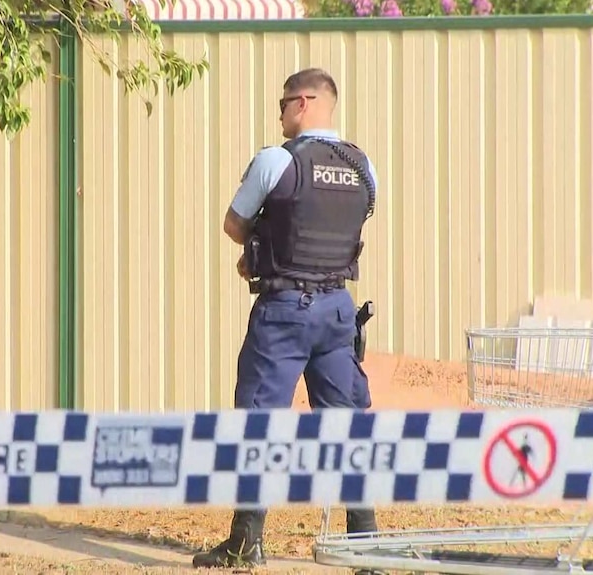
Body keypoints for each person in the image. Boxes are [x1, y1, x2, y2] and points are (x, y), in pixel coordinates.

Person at [192, 68, 384, 575]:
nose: (278, 115)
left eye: (281, 105)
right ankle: (367, 549)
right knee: (348, 428)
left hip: (284, 312)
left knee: (260, 421)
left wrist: (261, 245)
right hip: (339, 311)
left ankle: (244, 544)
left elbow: (234, 226)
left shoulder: (276, 161)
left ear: (303, 103)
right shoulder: (365, 168)